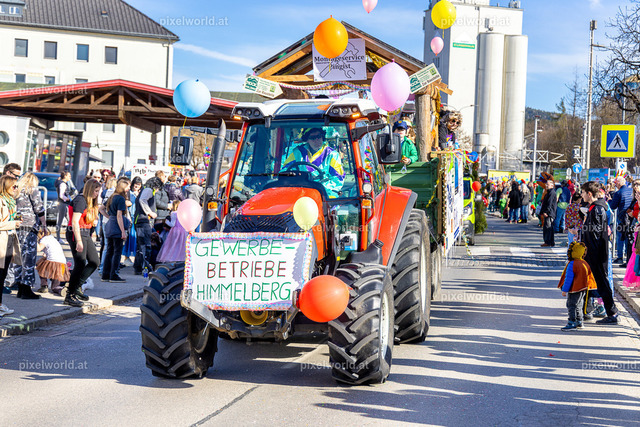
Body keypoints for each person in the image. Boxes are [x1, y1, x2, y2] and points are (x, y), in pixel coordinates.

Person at [581, 181, 619, 324]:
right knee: (594, 282)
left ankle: (612, 313)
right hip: (593, 253)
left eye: (583, 192)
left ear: (589, 194)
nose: (582, 195)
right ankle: (587, 310)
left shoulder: (597, 209)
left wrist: (590, 254)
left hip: (595, 254)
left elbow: (595, 235)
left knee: (602, 283)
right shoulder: (595, 207)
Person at [65, 179, 101, 307]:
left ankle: (77, 287)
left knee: (94, 261)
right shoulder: (80, 200)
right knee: (80, 263)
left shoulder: (90, 201)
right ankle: (70, 295)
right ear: (90, 189)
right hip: (76, 233)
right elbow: (74, 221)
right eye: (95, 191)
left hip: (85, 232)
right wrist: (79, 241)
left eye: (98, 191)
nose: (97, 194)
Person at [11, 172, 47, 299]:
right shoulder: (32, 189)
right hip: (29, 226)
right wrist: (44, 224)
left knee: (18, 258)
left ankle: (20, 287)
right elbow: (39, 208)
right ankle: (26, 288)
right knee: (29, 258)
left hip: (17, 226)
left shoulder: (16, 191)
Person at [282, 128, 345, 197]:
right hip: (302, 192)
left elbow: (338, 179)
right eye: (313, 138)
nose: (316, 140)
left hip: (325, 194)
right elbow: (285, 172)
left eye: (319, 136)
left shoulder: (332, 154)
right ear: (307, 140)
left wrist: (319, 187)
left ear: (322, 137)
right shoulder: (298, 152)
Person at [557, 241, 598, 331]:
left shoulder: (572, 264)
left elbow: (568, 279)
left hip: (574, 289)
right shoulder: (584, 263)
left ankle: (572, 322)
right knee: (579, 305)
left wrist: (564, 290)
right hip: (583, 288)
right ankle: (580, 321)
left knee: (571, 305)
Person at [101, 177, 131, 282]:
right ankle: (113, 275)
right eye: (127, 187)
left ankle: (105, 274)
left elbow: (101, 208)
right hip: (117, 226)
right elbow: (119, 215)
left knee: (109, 251)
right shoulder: (121, 199)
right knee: (117, 252)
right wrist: (123, 231)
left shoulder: (112, 196)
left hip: (110, 225)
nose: (128, 189)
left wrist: (109, 217)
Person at [0, 175, 22, 317]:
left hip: (9, 239)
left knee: (2, 275)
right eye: (14, 186)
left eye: (16, 186)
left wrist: (16, 221)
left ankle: (0, 305)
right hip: (1, 241)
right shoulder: (1, 201)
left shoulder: (11, 201)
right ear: (6, 185)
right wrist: (13, 223)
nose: (16, 188)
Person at [134, 177, 162, 275]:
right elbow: (143, 200)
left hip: (139, 221)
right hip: (144, 221)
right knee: (146, 246)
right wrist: (150, 212)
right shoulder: (148, 190)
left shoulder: (144, 189)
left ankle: (138, 267)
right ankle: (145, 267)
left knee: (140, 245)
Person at [608, 176, 634, 265]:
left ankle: (620, 257)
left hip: (622, 218)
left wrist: (610, 200)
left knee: (620, 237)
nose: (615, 185)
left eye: (616, 183)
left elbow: (613, 206)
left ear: (619, 183)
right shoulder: (631, 191)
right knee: (629, 238)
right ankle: (628, 258)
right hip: (631, 217)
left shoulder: (618, 193)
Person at [36, 228, 69, 295]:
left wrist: (33, 240)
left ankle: (44, 285)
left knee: (39, 264)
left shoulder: (45, 239)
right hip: (62, 265)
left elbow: (39, 249)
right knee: (55, 287)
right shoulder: (53, 239)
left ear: (42, 234)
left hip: (54, 264)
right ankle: (60, 289)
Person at [122, 176, 142, 265]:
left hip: (137, 218)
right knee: (129, 237)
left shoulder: (141, 193)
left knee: (134, 238)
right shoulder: (129, 193)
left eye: (139, 184)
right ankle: (126, 257)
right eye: (135, 184)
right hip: (130, 217)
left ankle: (132, 257)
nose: (137, 186)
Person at [55, 171, 74, 242]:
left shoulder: (63, 183)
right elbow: (61, 195)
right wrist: (68, 199)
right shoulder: (62, 184)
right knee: (60, 221)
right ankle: (58, 238)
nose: (70, 177)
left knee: (69, 220)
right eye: (69, 176)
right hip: (63, 203)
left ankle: (68, 236)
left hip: (64, 203)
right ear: (65, 176)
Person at [539, 179, 557, 247]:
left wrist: (546, 212)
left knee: (548, 228)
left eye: (548, 184)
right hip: (550, 212)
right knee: (549, 228)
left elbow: (549, 203)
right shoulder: (549, 192)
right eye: (546, 184)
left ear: (552, 185)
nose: (546, 185)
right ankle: (551, 242)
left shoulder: (551, 193)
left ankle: (548, 241)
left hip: (549, 213)